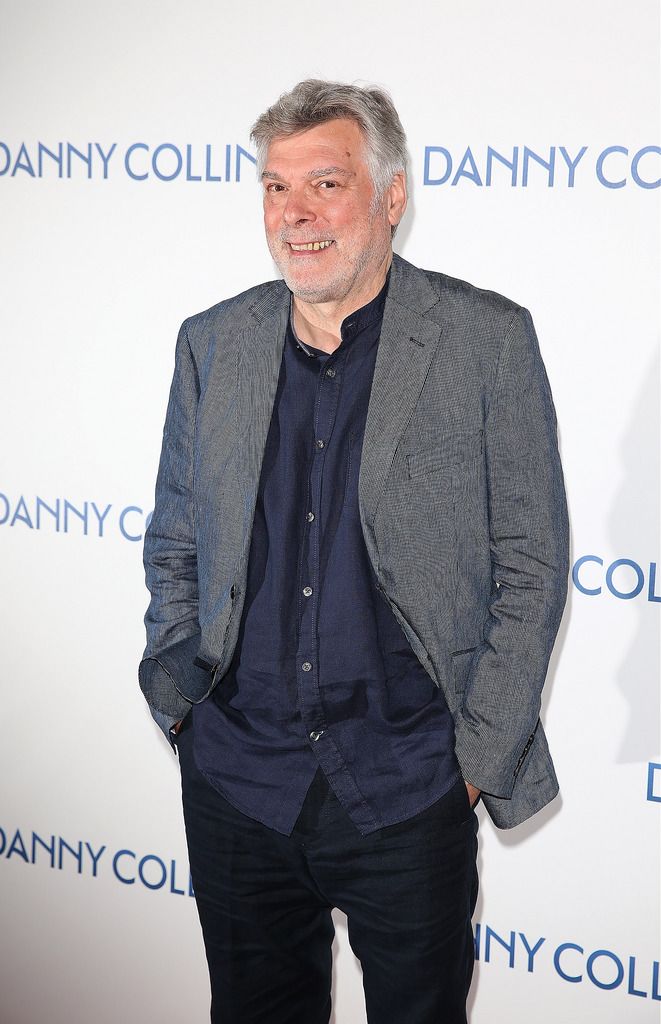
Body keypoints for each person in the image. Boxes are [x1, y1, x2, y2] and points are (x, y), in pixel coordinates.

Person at [139, 79, 569, 1024]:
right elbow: (176, 538)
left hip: (407, 786)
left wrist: (472, 758)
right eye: (274, 188)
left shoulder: (484, 342)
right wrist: (183, 712)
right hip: (238, 781)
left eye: (326, 184)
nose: (295, 216)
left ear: (391, 195)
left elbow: (532, 564)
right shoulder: (212, 344)